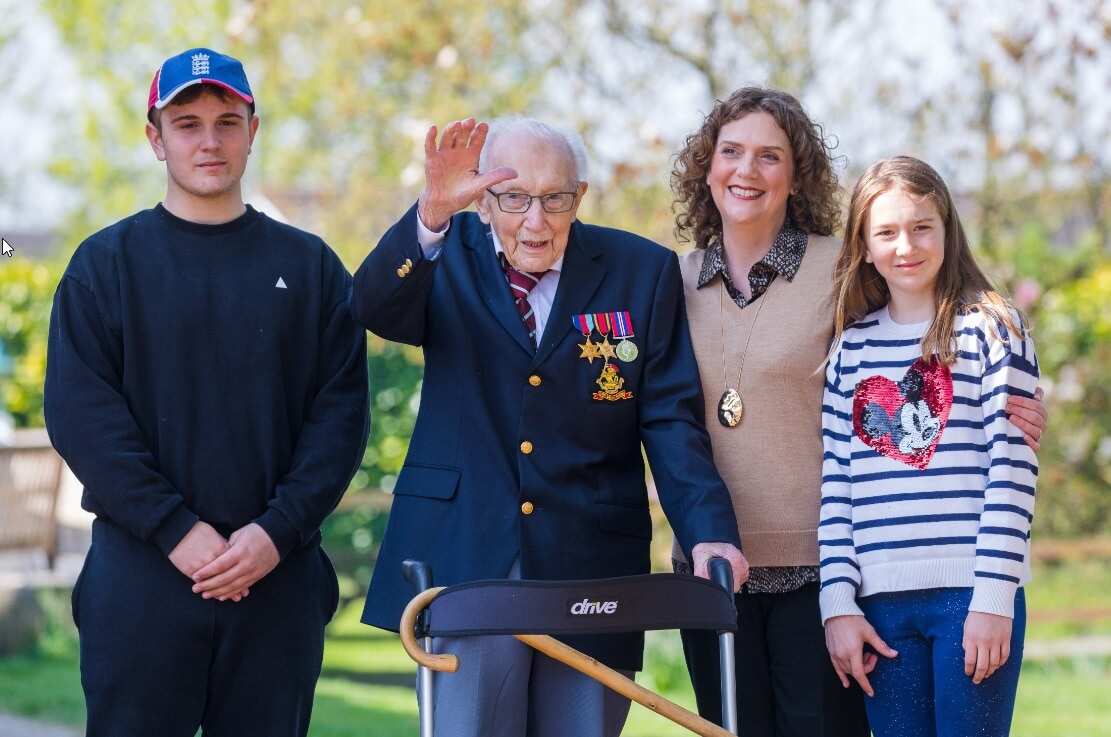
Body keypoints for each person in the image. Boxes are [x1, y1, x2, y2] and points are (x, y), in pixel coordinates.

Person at [351, 116, 747, 737]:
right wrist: (429, 213)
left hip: (591, 558)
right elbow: (371, 306)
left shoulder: (640, 270)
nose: (535, 221)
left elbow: (669, 418)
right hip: (466, 555)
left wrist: (710, 533)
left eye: (554, 199)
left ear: (579, 197)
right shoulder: (443, 252)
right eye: (514, 198)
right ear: (484, 199)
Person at [669, 88, 1047, 737]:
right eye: (730, 151)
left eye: (769, 155)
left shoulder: (848, 276)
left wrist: (1020, 406)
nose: (747, 169)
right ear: (705, 166)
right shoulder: (671, 279)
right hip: (734, 572)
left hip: (851, 575)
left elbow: (998, 449)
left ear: (797, 174)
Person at [44, 48, 369, 737]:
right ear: (154, 137)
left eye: (227, 120)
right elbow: (82, 416)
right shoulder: (105, 266)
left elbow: (338, 420)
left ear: (254, 128)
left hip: (276, 580)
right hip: (142, 579)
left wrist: (274, 533)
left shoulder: (310, 268)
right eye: (187, 123)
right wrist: (174, 528)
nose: (210, 140)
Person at [820, 155, 1038, 737]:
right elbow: (836, 486)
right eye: (886, 232)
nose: (905, 246)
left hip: (971, 596)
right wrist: (838, 604)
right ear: (863, 246)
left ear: (947, 230)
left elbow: (1011, 471)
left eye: (921, 227)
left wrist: (993, 596)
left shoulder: (993, 330)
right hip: (880, 605)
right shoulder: (851, 351)